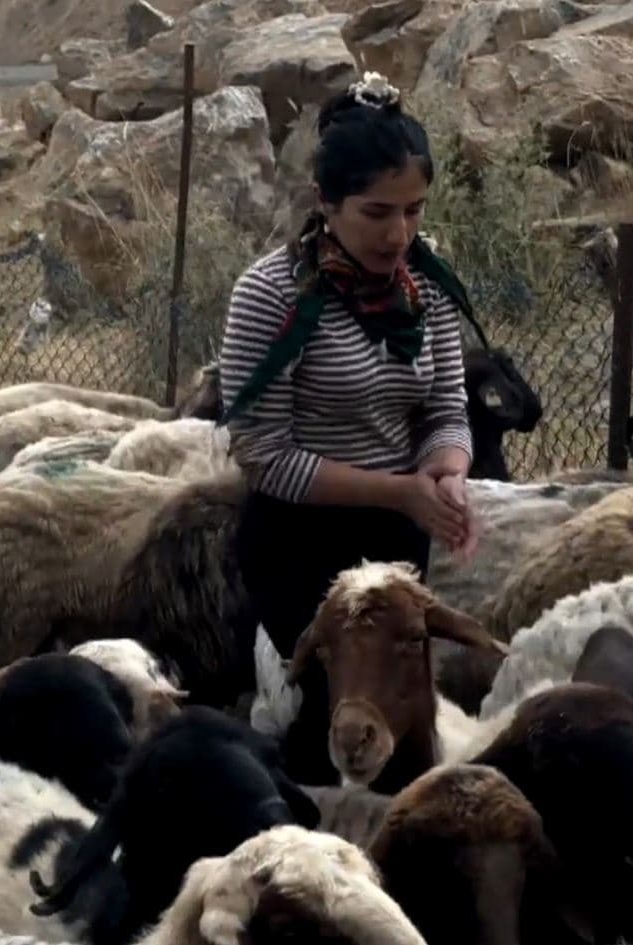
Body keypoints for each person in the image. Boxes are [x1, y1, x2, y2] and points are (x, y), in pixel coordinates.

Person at [218, 70, 481, 662]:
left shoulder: (427, 283)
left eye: (414, 210)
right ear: (325, 202)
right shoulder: (271, 294)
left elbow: (445, 408)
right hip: (299, 546)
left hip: (398, 545)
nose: (399, 234)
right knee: (321, 702)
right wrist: (399, 492)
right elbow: (263, 454)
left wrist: (447, 474)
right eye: (377, 213)